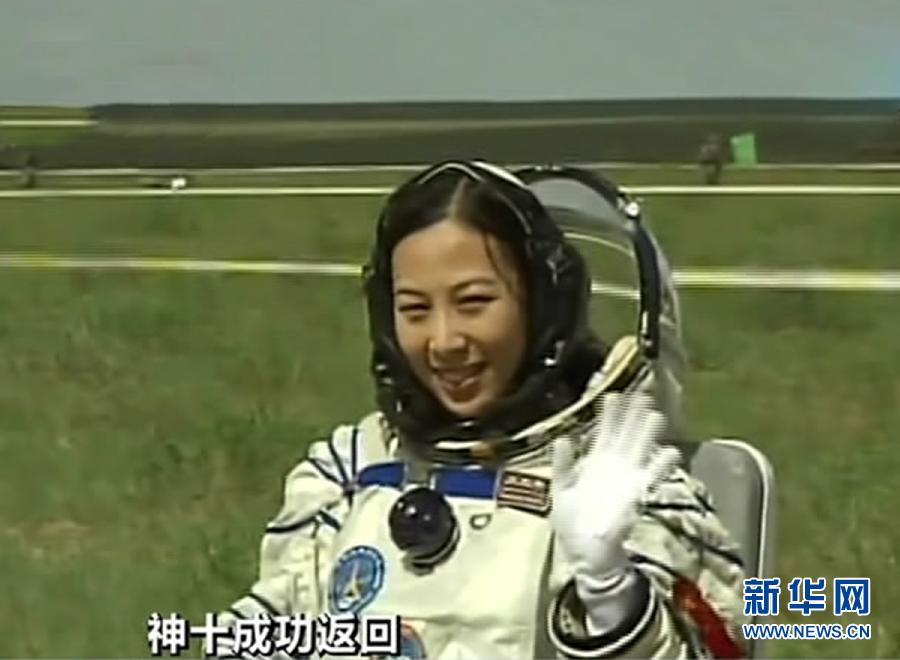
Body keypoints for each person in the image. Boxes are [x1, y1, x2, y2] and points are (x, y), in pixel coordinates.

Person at [218, 160, 746, 658]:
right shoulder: (349, 470)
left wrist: (615, 599)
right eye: (415, 310)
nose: (444, 340)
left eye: (473, 302)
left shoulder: (620, 480)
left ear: (541, 303)